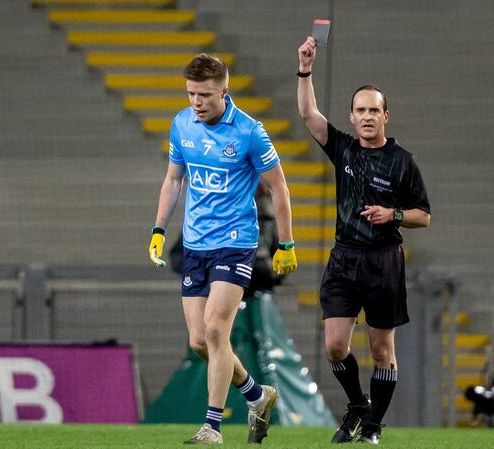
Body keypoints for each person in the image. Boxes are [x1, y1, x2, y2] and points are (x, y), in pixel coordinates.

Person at [148, 53, 298, 445]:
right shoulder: (182, 124)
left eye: (205, 95)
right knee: (199, 341)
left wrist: (285, 242)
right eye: (191, 94)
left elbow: (279, 186)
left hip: (236, 243)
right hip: (195, 243)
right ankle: (256, 395)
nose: (196, 102)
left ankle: (212, 427)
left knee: (216, 330)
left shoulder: (249, 132)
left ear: (224, 92)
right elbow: (173, 180)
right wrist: (159, 229)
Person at [297, 37, 431, 444]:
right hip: (344, 258)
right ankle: (357, 406)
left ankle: (372, 427)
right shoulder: (343, 149)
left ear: (386, 116)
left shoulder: (402, 161)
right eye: (361, 110)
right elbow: (307, 114)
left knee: (381, 352)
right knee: (335, 346)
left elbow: (424, 216)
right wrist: (305, 68)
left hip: (384, 260)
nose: (368, 116)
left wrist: (394, 214)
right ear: (352, 118)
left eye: (375, 110)